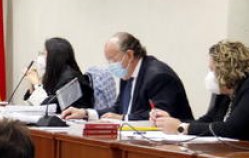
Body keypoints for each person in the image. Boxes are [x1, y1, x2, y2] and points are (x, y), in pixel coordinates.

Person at [152, 40, 249, 141]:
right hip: (241, 154)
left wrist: (182, 127)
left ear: (226, 69)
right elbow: (208, 120)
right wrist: (172, 121)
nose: (210, 75)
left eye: (212, 70)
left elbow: (231, 129)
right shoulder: (226, 91)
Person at [62, 32, 192, 122]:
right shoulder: (128, 74)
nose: (111, 65)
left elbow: (161, 115)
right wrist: (86, 113)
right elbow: (117, 109)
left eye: (113, 60)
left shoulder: (158, 76)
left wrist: (123, 118)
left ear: (129, 55)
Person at [23, 37, 94, 109]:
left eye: (44, 53)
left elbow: (49, 107)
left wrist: (37, 84)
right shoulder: (53, 76)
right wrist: (32, 86)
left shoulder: (71, 79)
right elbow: (32, 107)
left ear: (54, 56)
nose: (41, 57)